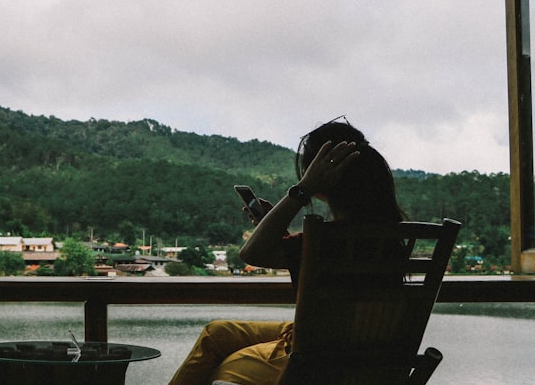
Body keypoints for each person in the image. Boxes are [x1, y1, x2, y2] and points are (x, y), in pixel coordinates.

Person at [168, 120, 407, 385]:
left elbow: (252, 253)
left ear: (324, 175)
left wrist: (303, 189)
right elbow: (281, 250)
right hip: (371, 357)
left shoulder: (325, 240)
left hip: (317, 361)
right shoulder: (391, 236)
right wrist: (271, 225)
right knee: (217, 333)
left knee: (226, 366)